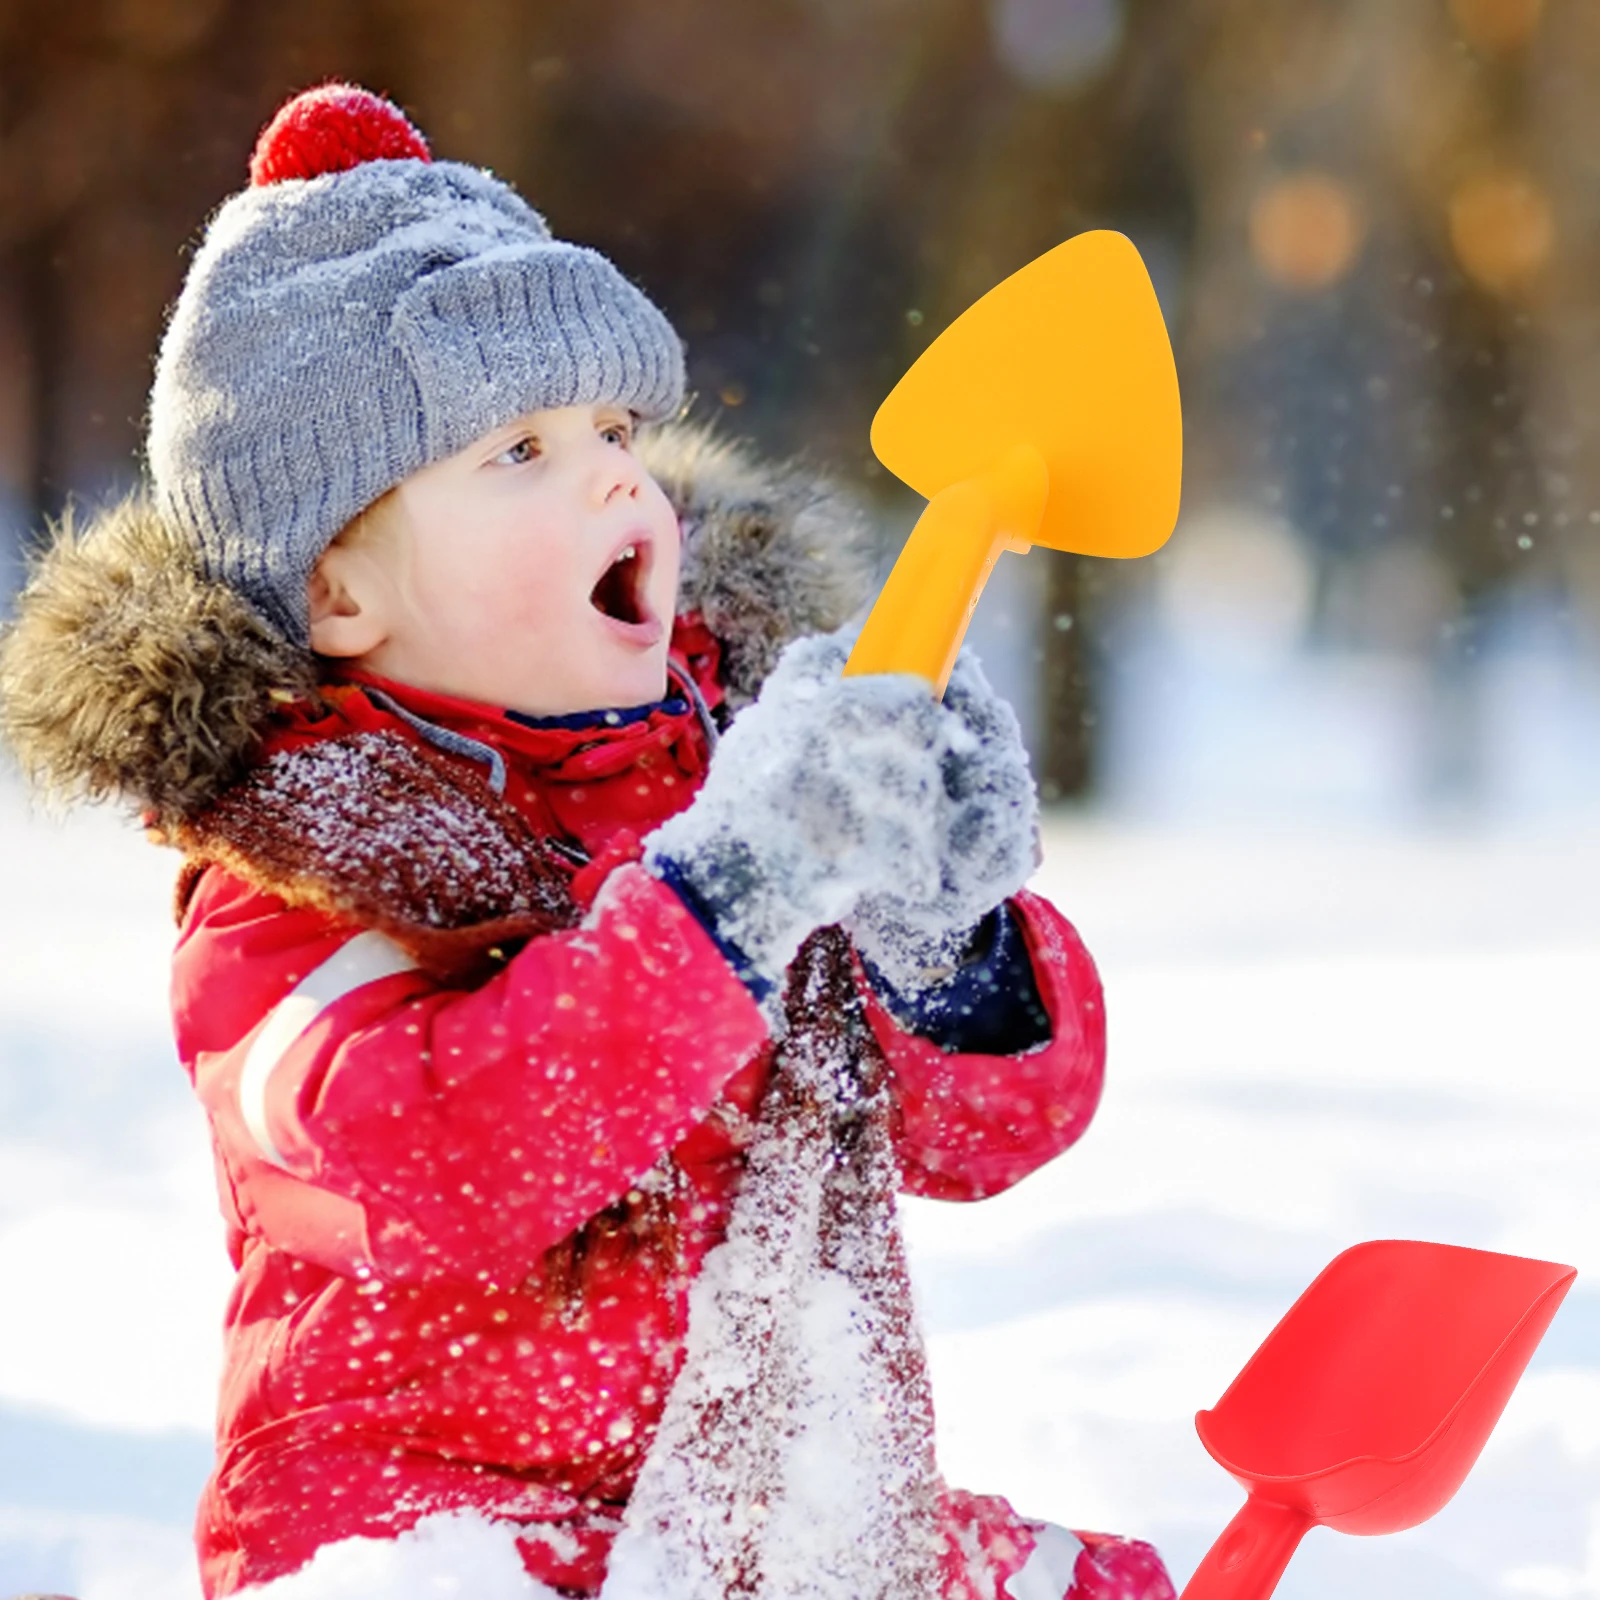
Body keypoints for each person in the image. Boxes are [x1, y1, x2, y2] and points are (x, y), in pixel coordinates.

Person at [0, 84, 1175, 1600]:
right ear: (340, 591)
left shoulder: (743, 779)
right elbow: (457, 1156)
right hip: (429, 1536)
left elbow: (985, 1138)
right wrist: (735, 896)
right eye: (521, 451)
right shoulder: (286, 883)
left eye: (616, 428)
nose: (621, 475)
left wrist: (937, 931)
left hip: (761, 1520)